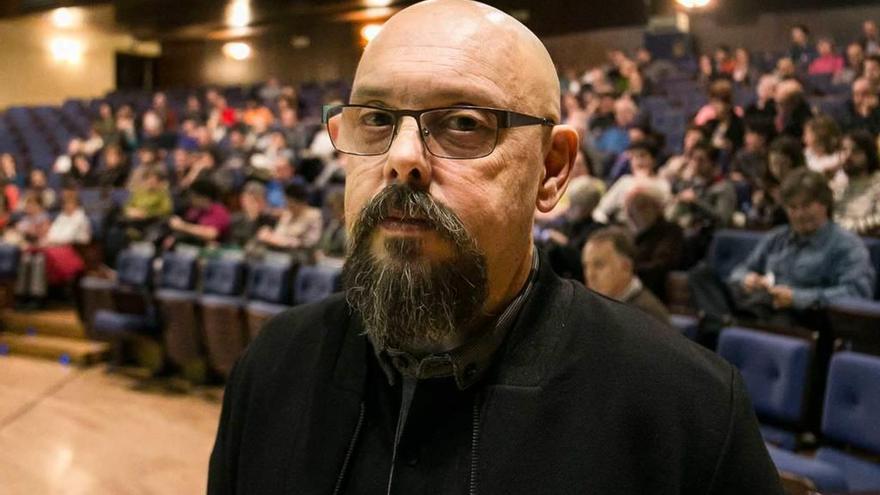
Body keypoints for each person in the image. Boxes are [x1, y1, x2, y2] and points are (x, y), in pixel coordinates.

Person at [208, 2, 783, 494]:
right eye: (377, 119)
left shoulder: (686, 410)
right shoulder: (272, 365)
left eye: (462, 123)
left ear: (551, 170)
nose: (402, 158)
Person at [690, 169, 875, 346]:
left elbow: (856, 293)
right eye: (793, 208)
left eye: (806, 206)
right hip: (756, 304)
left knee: (779, 317)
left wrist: (797, 297)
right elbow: (742, 269)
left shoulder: (846, 245)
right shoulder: (778, 237)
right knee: (701, 274)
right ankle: (727, 328)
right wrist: (747, 278)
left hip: (800, 316)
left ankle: (726, 333)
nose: (799, 214)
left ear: (825, 204)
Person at [583, 227, 670, 324]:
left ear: (626, 267)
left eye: (599, 265)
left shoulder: (647, 315)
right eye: (586, 266)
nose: (590, 275)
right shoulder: (596, 306)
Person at [592, 139, 670, 224]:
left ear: (653, 160)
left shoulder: (662, 184)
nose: (638, 161)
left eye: (642, 156)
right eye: (634, 157)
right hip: (625, 228)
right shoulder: (625, 181)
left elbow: (667, 213)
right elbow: (600, 211)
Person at [834, 130, 880, 236]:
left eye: (856, 151)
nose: (848, 156)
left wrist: (849, 227)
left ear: (868, 155)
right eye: (844, 150)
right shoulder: (837, 183)